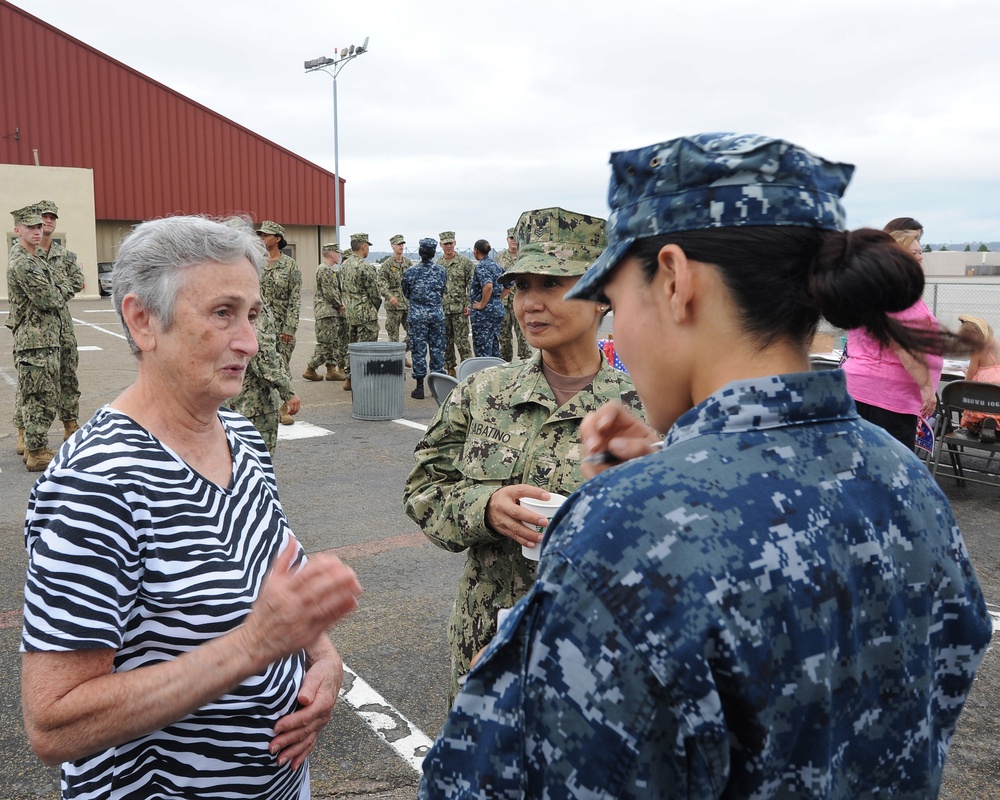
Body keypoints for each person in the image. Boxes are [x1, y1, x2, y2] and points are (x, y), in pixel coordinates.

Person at [418, 134, 991, 799]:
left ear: (674, 281)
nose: (620, 332)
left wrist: (619, 524)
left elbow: (487, 778)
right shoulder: (903, 476)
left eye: (617, 295)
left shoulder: (624, 531)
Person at [20, 215, 362, 799]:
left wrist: (322, 658)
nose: (250, 342)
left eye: (252, 314)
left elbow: (270, 572)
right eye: (222, 313)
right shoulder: (97, 483)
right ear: (143, 320)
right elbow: (54, 721)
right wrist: (252, 648)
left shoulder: (239, 436)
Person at [404, 208, 644, 704]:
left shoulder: (643, 407)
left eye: (552, 284)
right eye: (521, 286)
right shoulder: (482, 393)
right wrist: (484, 508)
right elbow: (423, 490)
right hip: (484, 645)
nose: (530, 303)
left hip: (599, 654)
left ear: (602, 295)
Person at [842, 221, 942, 449]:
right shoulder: (901, 297)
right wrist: (927, 389)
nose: (920, 257)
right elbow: (905, 347)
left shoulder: (868, 291)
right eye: (914, 252)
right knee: (891, 466)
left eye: (921, 251)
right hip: (889, 397)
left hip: (856, 387)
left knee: (858, 458)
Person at [6, 206, 62, 472]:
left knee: (39, 395)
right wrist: (61, 288)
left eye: (39, 227)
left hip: (42, 338)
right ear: (17, 230)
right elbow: (49, 299)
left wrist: (55, 288)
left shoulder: (34, 257)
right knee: (40, 398)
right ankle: (38, 452)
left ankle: (33, 447)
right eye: (30, 227)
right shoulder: (24, 263)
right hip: (36, 340)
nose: (37, 231)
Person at [35, 200, 84, 441]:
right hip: (34, 327)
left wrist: (55, 292)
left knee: (68, 375)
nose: (48, 220)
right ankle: (26, 431)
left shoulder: (64, 256)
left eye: (52, 217)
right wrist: (55, 293)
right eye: (44, 216)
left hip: (63, 326)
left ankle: (70, 425)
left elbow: (77, 281)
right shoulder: (25, 256)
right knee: (33, 379)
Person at [230, 302, 301, 454]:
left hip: (232, 401)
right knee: (257, 461)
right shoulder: (253, 306)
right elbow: (263, 357)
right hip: (254, 406)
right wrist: (288, 391)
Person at [256, 220, 301, 424]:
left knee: (282, 366)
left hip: (282, 325)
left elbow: (295, 299)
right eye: (261, 235)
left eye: (266, 235)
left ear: (277, 238)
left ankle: (284, 408)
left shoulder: (290, 265)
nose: (262, 238)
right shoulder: (256, 262)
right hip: (258, 324)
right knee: (259, 366)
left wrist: (290, 327)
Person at [401, 237, 447, 399]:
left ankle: (419, 387)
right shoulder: (441, 271)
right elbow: (442, 290)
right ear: (434, 253)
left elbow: (406, 292)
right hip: (436, 315)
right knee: (437, 350)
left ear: (420, 253)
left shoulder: (410, 272)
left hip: (417, 316)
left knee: (418, 351)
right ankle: (437, 387)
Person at [339, 232, 381, 392]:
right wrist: (374, 308)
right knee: (367, 349)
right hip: (365, 314)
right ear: (363, 246)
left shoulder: (344, 265)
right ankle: (364, 380)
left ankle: (349, 378)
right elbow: (375, 294)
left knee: (353, 346)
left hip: (351, 313)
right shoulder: (365, 267)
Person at [303, 242, 345, 382]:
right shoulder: (325, 270)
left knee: (332, 343)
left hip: (329, 312)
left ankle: (331, 370)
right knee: (326, 344)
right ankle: (311, 368)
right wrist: (340, 305)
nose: (339, 256)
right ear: (332, 254)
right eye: (338, 253)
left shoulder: (328, 269)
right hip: (326, 312)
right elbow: (330, 293)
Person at [436, 231, 474, 376]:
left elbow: (471, 285)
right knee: (446, 342)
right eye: (445, 244)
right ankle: (450, 369)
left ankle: (468, 371)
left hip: (460, 309)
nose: (448, 246)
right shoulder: (438, 264)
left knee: (463, 341)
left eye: (450, 243)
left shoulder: (465, 263)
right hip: (443, 309)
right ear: (441, 245)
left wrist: (469, 304)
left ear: (455, 243)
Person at [957, 313, 1000, 439]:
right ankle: (994, 428)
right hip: (998, 403)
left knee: (971, 407)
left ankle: (979, 426)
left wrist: (966, 374)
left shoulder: (978, 350)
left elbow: (969, 378)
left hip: (983, 401)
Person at [494, 227, 532, 361]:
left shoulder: (526, 257)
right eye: (511, 238)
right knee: (504, 337)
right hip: (504, 302)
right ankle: (505, 364)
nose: (513, 241)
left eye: (516, 238)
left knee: (523, 335)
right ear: (507, 240)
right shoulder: (499, 258)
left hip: (522, 301)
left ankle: (526, 364)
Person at [469, 238, 505, 357]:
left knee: (483, 349)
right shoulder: (496, 265)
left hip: (484, 314)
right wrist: (498, 298)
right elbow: (509, 284)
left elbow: (488, 285)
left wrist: (482, 304)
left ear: (476, 251)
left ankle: (484, 374)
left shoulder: (481, 266)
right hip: (496, 310)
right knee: (494, 346)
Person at [380, 234, 412, 367]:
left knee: (414, 332)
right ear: (392, 246)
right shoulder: (387, 264)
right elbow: (381, 283)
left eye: (402, 244)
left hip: (407, 304)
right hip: (393, 306)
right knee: (393, 336)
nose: (401, 246)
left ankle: (400, 353)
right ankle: (396, 361)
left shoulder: (408, 263)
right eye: (398, 244)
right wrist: (389, 296)